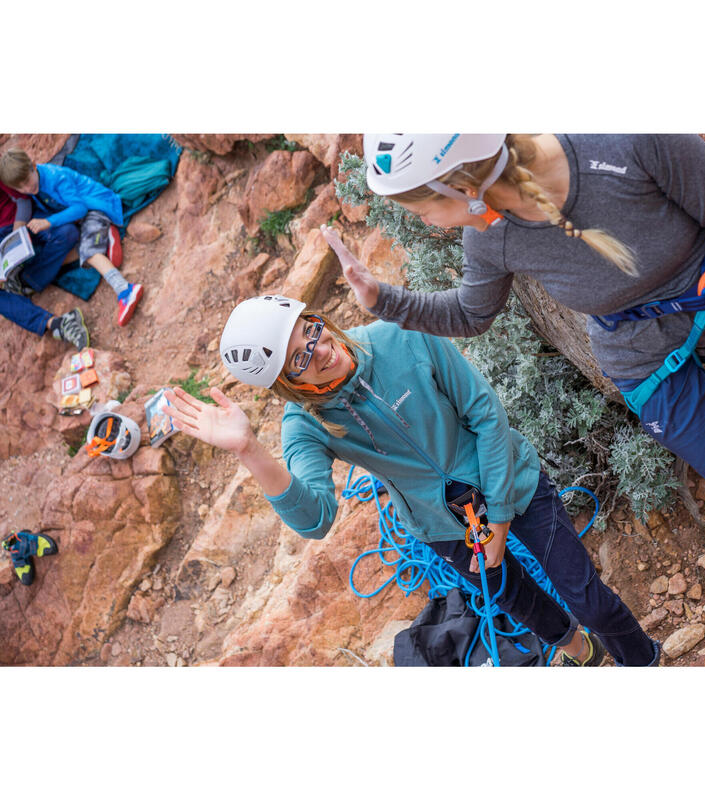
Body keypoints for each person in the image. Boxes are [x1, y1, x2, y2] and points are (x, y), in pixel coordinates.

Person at [320, 132, 705, 591]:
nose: (428, 223)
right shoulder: (491, 237)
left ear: (462, 188)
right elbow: (471, 313)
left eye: (426, 210)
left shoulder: (621, 140)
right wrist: (381, 298)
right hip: (643, 357)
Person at [163, 293, 660, 666]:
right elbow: (316, 519)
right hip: (447, 528)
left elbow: (486, 416)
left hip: (514, 485)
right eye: (298, 357)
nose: (318, 349)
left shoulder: (401, 337)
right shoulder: (306, 426)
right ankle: (581, 652)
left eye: (310, 330)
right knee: (519, 600)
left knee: (588, 597)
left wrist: (502, 518)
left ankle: (645, 662)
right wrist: (251, 451)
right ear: (287, 385)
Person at [0, 148, 142, 327]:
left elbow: (80, 208)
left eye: (28, 181)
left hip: (95, 208)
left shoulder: (55, 178)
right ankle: (104, 239)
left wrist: (49, 222)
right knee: (69, 243)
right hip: (80, 217)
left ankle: (125, 289)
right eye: (21, 188)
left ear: (33, 166)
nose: (27, 188)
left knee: (87, 250)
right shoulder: (34, 187)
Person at [1, 180, 90, 348]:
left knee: (68, 233)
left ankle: (25, 280)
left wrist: (17, 230)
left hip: (20, 222)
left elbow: (23, 199)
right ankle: (57, 324)